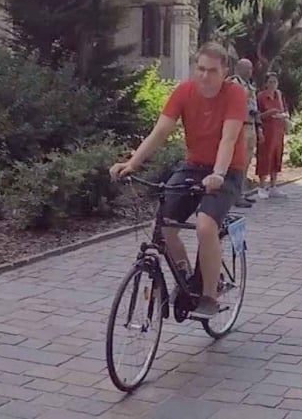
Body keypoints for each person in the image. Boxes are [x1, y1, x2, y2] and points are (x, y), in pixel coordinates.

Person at [110, 42, 246, 319]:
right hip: (193, 166)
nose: (205, 76)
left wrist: (219, 174)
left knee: (205, 226)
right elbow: (160, 131)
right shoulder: (184, 91)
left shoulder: (234, 94)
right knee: (163, 225)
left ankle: (209, 295)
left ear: (224, 71)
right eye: (200, 69)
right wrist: (132, 163)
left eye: (212, 71)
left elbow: (229, 138)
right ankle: (185, 276)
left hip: (227, 170)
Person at [229, 58, 259, 207]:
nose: (250, 71)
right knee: (238, 162)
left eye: (251, 68)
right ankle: (234, 195)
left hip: (251, 124)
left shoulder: (249, 84)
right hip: (240, 126)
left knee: (247, 161)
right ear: (239, 68)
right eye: (247, 68)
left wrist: (259, 126)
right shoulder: (235, 83)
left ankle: (241, 192)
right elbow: (236, 101)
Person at [255, 72, 288, 198]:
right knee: (265, 157)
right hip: (266, 130)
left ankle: (273, 185)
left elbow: (284, 110)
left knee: (276, 156)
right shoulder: (261, 96)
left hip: (278, 130)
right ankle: (262, 186)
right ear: (266, 83)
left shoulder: (279, 95)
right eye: (270, 82)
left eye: (275, 82)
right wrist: (269, 113)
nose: (273, 85)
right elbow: (257, 115)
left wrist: (284, 117)